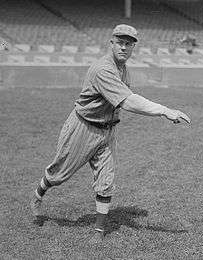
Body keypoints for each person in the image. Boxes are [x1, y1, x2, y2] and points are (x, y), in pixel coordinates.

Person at [31, 24, 191, 243]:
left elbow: (125, 98)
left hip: (107, 129)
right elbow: (129, 101)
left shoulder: (123, 68)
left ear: (133, 47)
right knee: (59, 174)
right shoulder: (103, 69)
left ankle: (99, 230)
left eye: (129, 44)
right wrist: (164, 110)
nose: (124, 48)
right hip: (83, 126)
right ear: (112, 43)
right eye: (121, 43)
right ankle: (38, 194)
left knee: (106, 180)